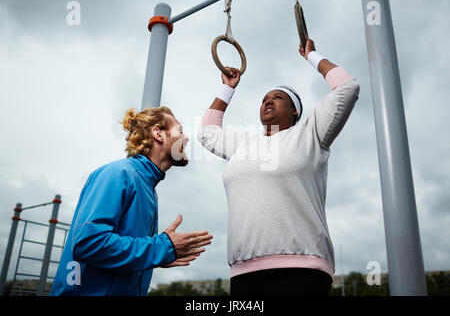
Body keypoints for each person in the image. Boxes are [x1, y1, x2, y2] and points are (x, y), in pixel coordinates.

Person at [197, 39, 360, 296]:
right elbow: (207, 134)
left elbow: (348, 88)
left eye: (278, 97)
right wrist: (226, 89)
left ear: (294, 110)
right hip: (244, 271)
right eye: (264, 99)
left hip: (302, 268)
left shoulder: (311, 133)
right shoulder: (245, 142)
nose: (268, 101)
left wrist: (313, 56)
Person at [51, 106, 213, 296]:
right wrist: (162, 247)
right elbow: (88, 243)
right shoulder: (118, 174)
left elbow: (130, 252)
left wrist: (158, 255)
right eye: (180, 131)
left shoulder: (150, 190)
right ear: (158, 134)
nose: (185, 138)